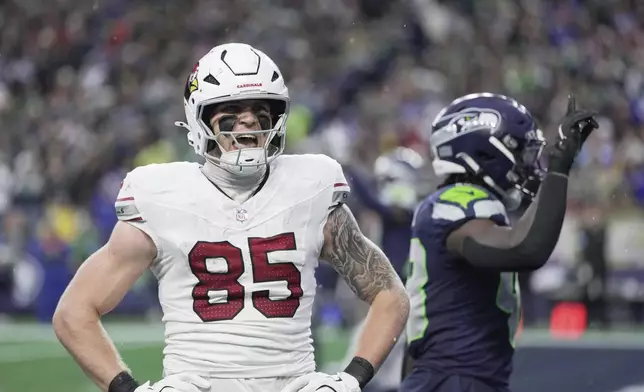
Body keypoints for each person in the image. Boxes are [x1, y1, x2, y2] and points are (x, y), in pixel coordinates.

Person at [52, 43, 409, 392]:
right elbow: (74, 311)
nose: (249, 120)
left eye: (260, 109)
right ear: (200, 118)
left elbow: (390, 295)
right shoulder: (160, 194)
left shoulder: (311, 186)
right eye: (232, 109)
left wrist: (350, 379)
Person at [401, 93, 598, 392]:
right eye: (521, 153)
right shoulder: (458, 204)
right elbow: (526, 249)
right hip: (455, 381)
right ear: (485, 153)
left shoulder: (450, 207)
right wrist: (559, 168)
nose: (529, 166)